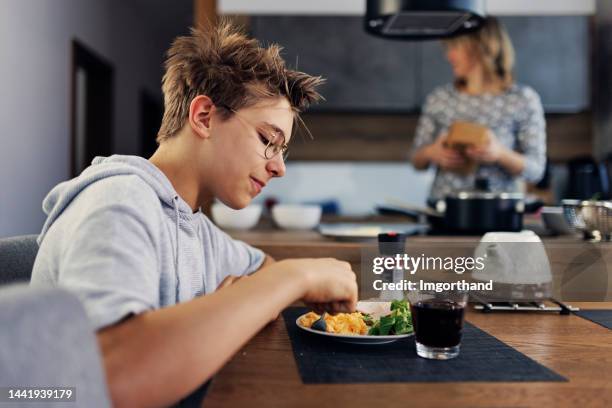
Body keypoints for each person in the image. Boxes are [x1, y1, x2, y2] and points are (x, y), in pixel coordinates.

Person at [30, 21, 358, 408]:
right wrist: (296, 276)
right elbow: (111, 376)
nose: (279, 167)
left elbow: (261, 267)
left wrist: (250, 292)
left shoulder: (194, 226)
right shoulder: (118, 202)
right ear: (203, 116)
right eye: (269, 141)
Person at [411, 17, 547, 201]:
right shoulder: (440, 98)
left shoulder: (522, 99)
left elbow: (536, 170)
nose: (449, 56)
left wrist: (499, 153)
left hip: (500, 213)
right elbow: (416, 160)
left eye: (455, 47)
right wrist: (432, 152)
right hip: (444, 209)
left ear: (481, 46)